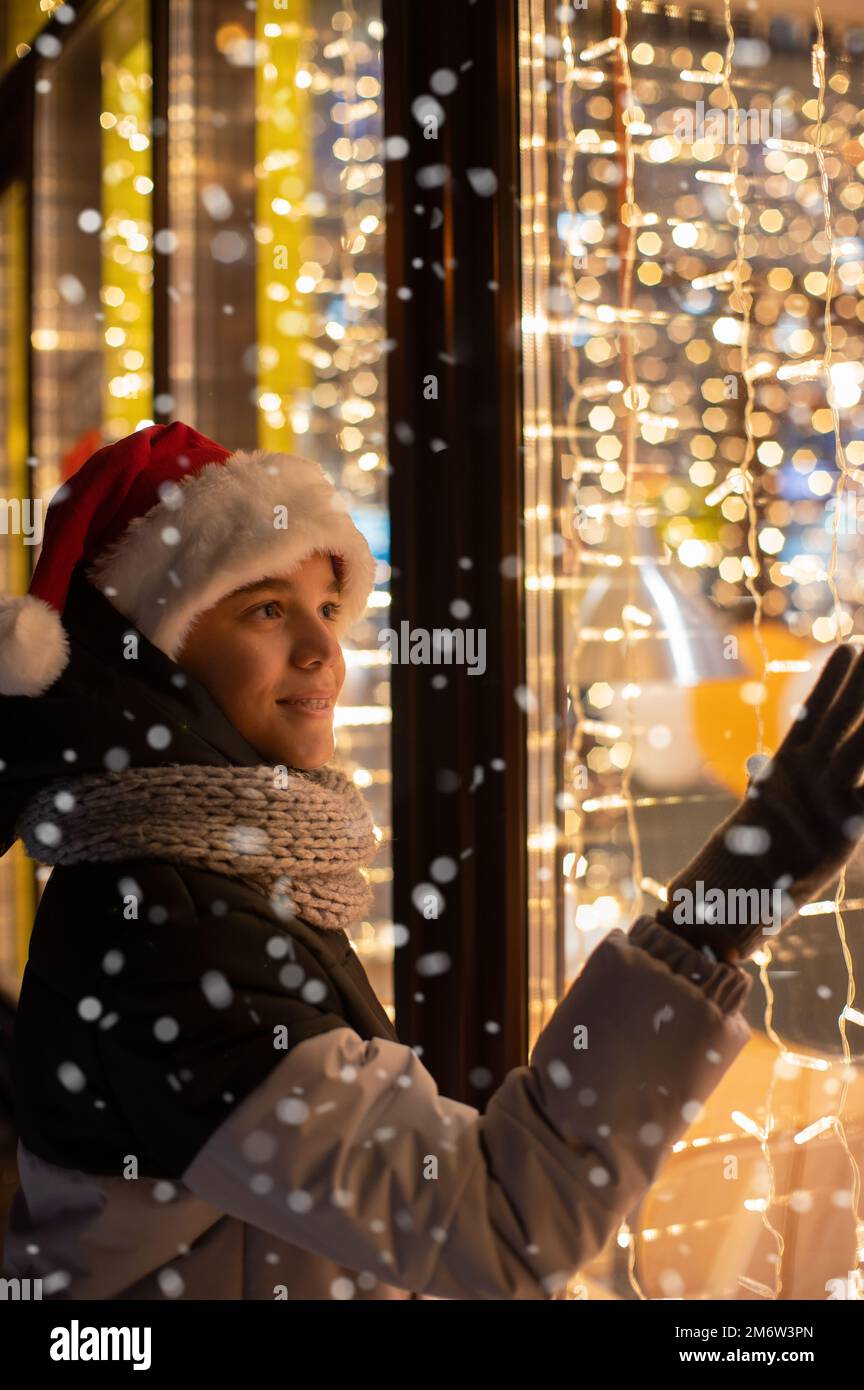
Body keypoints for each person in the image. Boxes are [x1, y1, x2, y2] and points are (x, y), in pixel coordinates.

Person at [0, 420, 863, 1301]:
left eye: (329, 609)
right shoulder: (169, 936)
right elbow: (499, 1225)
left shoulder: (195, 880)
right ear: (153, 657)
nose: (322, 650)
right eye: (266, 609)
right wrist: (727, 903)